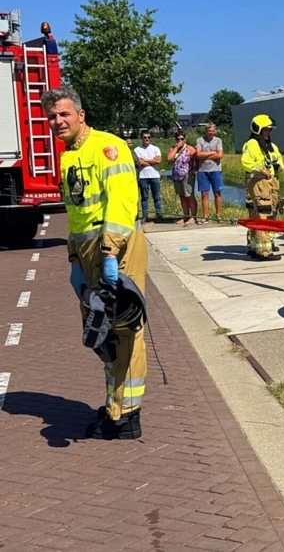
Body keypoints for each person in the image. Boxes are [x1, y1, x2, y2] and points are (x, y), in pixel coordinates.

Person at [42, 86, 147, 440]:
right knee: (101, 333)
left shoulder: (108, 148)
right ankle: (114, 404)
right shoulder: (68, 155)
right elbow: (76, 214)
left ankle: (126, 416)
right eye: (53, 116)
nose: (58, 121)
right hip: (88, 256)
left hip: (115, 251)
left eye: (64, 114)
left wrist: (109, 254)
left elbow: (121, 202)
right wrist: (74, 259)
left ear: (81, 115)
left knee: (124, 331)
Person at [241, 114, 284, 261]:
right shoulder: (253, 144)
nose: (268, 132)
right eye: (266, 129)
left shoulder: (269, 146)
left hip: (268, 183)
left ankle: (255, 248)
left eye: (270, 130)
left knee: (261, 214)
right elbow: (246, 162)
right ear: (258, 129)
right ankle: (264, 252)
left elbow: (279, 161)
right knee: (263, 216)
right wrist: (261, 170)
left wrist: (278, 167)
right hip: (259, 183)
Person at [194, 123, 224, 223]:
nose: (211, 133)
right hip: (203, 170)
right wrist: (212, 153)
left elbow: (220, 155)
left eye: (213, 131)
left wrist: (204, 156)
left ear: (215, 131)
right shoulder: (200, 140)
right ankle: (205, 216)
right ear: (206, 131)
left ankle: (218, 215)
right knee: (204, 194)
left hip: (216, 170)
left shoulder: (218, 140)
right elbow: (198, 154)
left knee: (217, 193)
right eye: (209, 131)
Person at [168, 132, 198, 225]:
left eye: (181, 139)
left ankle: (193, 217)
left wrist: (194, 170)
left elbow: (197, 160)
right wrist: (176, 147)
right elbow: (169, 158)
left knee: (189, 196)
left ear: (185, 139)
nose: (180, 141)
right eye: (178, 139)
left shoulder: (189, 149)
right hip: (177, 177)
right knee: (182, 196)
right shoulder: (173, 149)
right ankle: (186, 216)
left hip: (187, 176)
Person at [134, 131, 163, 222]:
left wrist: (145, 160)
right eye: (145, 137)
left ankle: (159, 215)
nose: (147, 139)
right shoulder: (137, 150)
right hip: (143, 176)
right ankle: (145, 216)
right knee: (144, 197)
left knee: (157, 197)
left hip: (154, 175)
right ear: (141, 138)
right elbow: (139, 162)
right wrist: (152, 161)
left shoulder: (156, 148)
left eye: (148, 137)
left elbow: (158, 161)